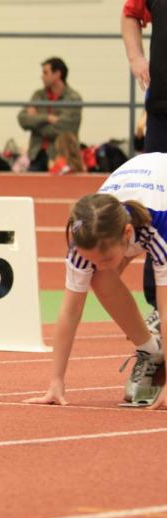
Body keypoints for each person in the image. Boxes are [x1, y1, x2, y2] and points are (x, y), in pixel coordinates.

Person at [25, 152, 167, 409]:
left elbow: (166, 308)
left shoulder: (158, 227)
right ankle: (150, 350)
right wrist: (56, 381)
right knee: (99, 276)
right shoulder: (85, 239)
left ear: (127, 234)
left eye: (106, 258)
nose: (99, 265)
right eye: (93, 259)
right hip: (139, 186)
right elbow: (70, 311)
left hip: (159, 195)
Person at [122, 1, 167, 335]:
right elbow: (130, 14)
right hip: (162, 109)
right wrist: (136, 58)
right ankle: (157, 307)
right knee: (155, 202)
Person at [17, 57, 83, 172]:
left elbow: (66, 129)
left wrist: (36, 123)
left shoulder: (73, 98)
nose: (42, 76)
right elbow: (22, 119)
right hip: (36, 156)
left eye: (45, 73)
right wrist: (47, 118)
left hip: (62, 157)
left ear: (57, 74)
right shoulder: (38, 95)